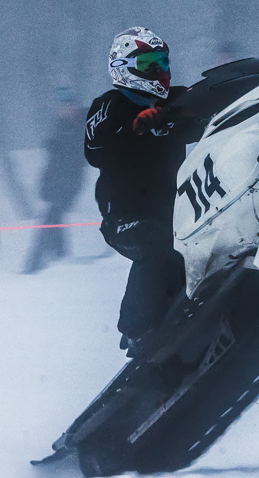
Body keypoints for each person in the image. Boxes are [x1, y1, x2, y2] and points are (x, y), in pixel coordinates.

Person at [85, 27, 204, 355]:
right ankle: (138, 330)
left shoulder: (175, 101)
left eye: (163, 62)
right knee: (158, 246)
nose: (161, 71)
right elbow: (95, 147)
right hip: (125, 217)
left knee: (193, 250)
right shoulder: (110, 106)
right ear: (126, 66)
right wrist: (137, 127)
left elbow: (208, 108)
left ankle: (197, 316)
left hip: (175, 213)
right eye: (151, 63)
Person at [24, 88, 87, 274]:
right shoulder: (60, 126)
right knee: (55, 218)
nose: (64, 110)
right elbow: (52, 162)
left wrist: (60, 148)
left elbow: (78, 157)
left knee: (50, 218)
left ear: (74, 106)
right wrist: (44, 182)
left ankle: (33, 264)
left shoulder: (81, 125)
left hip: (69, 182)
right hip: (55, 182)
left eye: (68, 106)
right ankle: (60, 259)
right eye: (62, 107)